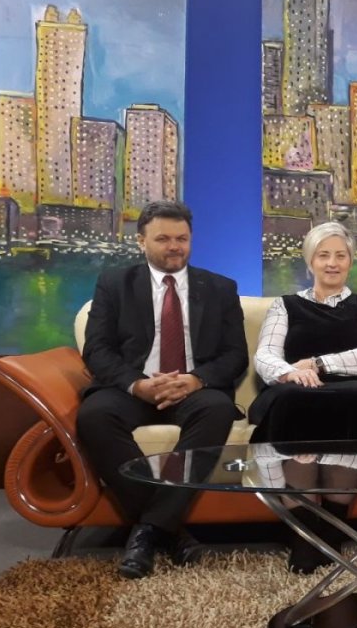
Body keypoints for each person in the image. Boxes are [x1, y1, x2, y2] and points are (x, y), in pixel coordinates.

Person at [77, 201, 248, 580]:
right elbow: (97, 349)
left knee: (218, 409)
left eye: (182, 239)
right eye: (163, 239)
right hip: (133, 388)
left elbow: (235, 355)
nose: (174, 247)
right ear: (141, 241)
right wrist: (137, 384)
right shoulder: (114, 284)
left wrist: (196, 379)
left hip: (193, 389)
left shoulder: (220, 288)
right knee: (94, 415)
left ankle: (148, 532)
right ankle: (170, 532)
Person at [249, 221, 357, 574]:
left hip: (356, 389)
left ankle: (331, 531)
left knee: (349, 401)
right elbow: (265, 354)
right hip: (295, 387)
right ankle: (304, 534)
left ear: (350, 261)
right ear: (310, 262)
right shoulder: (284, 306)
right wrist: (289, 372)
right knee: (293, 401)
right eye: (323, 255)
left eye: (340, 256)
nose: (332, 263)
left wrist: (319, 364)